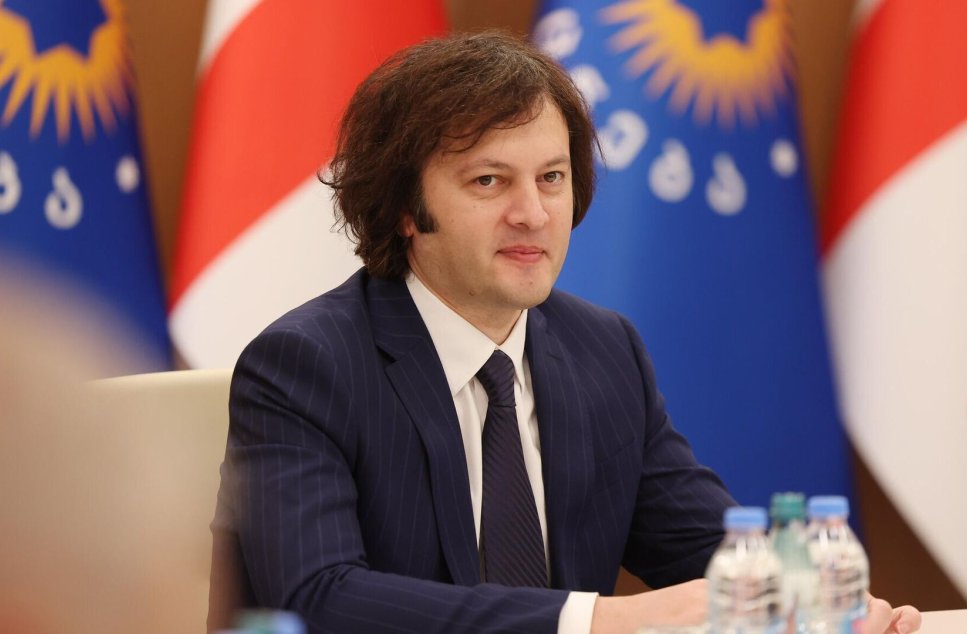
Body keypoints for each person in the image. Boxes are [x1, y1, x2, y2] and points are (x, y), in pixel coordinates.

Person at [210, 32, 920, 634]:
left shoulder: (603, 350)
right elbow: (318, 597)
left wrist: (810, 602)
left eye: (551, 177)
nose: (533, 213)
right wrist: (595, 619)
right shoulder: (307, 365)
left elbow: (708, 548)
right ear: (403, 208)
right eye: (489, 182)